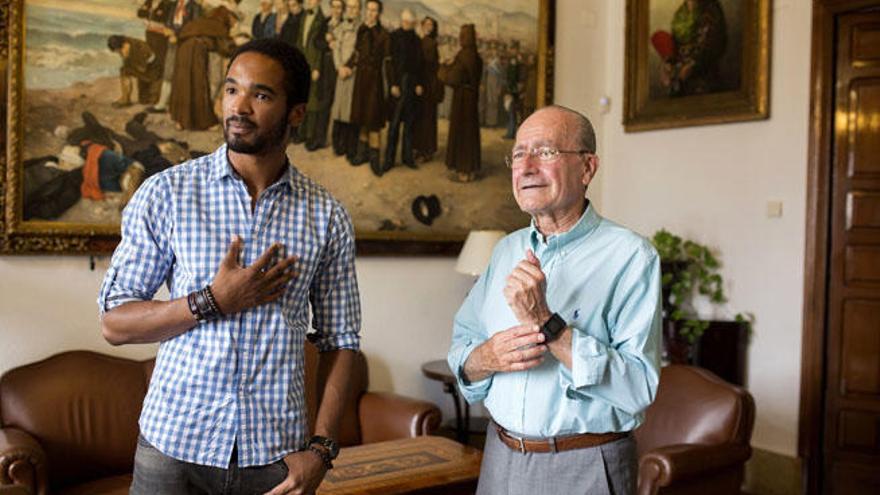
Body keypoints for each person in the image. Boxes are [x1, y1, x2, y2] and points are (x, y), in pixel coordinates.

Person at [99, 38, 362, 495]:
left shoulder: (327, 215)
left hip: (276, 458)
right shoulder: (167, 194)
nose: (239, 107)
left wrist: (321, 450)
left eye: (260, 94)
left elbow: (342, 342)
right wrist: (213, 300)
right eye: (231, 89)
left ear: (295, 113)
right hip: (173, 450)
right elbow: (115, 323)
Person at [447, 105, 661, 495]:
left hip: (585, 465)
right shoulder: (505, 251)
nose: (526, 166)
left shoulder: (632, 256)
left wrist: (548, 322)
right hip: (499, 457)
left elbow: (638, 388)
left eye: (545, 152)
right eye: (517, 154)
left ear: (587, 168)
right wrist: (486, 358)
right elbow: (462, 352)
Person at [348, 0, 390, 175]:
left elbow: (388, 61)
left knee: (373, 120)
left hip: (374, 81)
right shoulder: (361, 29)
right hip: (360, 80)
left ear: (379, 13)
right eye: (369, 10)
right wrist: (348, 65)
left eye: (375, 11)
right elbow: (356, 54)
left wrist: (393, 83)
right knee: (361, 117)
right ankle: (361, 155)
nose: (371, 13)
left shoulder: (384, 34)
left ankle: (375, 161)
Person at [382, 8, 424, 173]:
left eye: (411, 23)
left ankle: (407, 158)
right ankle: (389, 160)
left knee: (409, 125)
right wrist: (392, 84)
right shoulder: (393, 37)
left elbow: (420, 65)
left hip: (412, 86)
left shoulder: (416, 40)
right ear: (401, 22)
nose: (408, 25)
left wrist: (419, 83)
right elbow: (389, 63)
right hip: (398, 86)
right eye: (406, 22)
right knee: (393, 126)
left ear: (413, 24)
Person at [439, 24, 482, 183]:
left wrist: (444, 66)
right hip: (472, 98)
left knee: (462, 133)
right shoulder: (476, 56)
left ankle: (464, 170)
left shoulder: (462, 55)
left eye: (461, 35)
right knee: (470, 133)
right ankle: (471, 169)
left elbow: (452, 79)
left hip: (462, 99)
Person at [329, 0, 362, 163]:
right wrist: (339, 67)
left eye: (355, 7)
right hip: (340, 73)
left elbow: (360, 52)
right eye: (349, 7)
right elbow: (336, 48)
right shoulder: (340, 27)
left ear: (359, 10)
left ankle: (350, 148)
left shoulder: (362, 29)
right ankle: (338, 145)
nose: (352, 10)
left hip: (354, 74)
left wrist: (350, 68)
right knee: (339, 109)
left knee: (351, 110)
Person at [412, 15, 441, 163]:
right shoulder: (420, 41)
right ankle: (419, 149)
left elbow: (430, 65)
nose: (429, 27)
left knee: (427, 118)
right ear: (422, 25)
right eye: (427, 24)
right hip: (421, 84)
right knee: (420, 118)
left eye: (431, 25)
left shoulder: (430, 43)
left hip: (428, 85)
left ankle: (426, 151)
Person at [107, 35, 160, 108]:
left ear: (124, 45)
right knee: (124, 70)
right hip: (144, 69)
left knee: (124, 70)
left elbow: (144, 67)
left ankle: (125, 99)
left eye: (119, 50)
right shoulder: (127, 45)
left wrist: (128, 60)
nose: (120, 53)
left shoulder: (140, 47)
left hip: (152, 71)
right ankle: (126, 98)